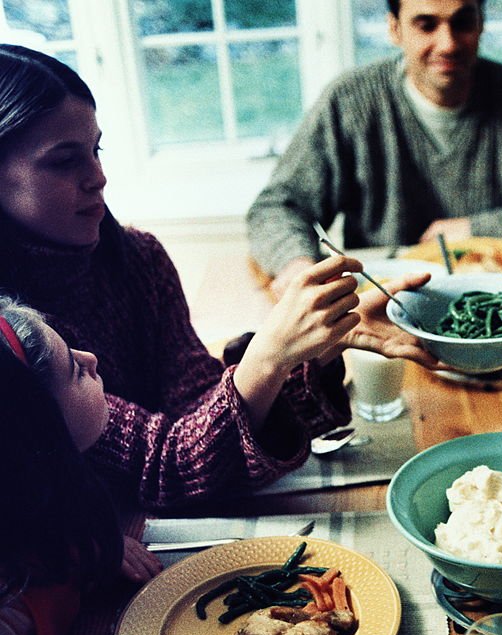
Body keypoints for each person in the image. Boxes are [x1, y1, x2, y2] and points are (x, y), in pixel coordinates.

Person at [0, 44, 435, 511]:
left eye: (96, 149)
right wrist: (270, 353)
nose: (98, 176)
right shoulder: (13, 335)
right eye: (65, 160)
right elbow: (166, 467)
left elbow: (201, 406)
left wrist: (313, 349)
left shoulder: (138, 257)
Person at [247, 0, 502, 298]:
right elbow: (277, 207)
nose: (447, 44)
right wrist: (298, 266)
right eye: (426, 24)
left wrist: (472, 230)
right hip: (391, 311)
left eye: (462, 22)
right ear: (394, 28)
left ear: (481, 24)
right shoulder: (349, 103)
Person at [0, 297, 162, 635]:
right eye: (74, 370)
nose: (90, 357)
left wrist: (93, 550)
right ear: (40, 435)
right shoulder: (8, 611)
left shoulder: (34, 506)